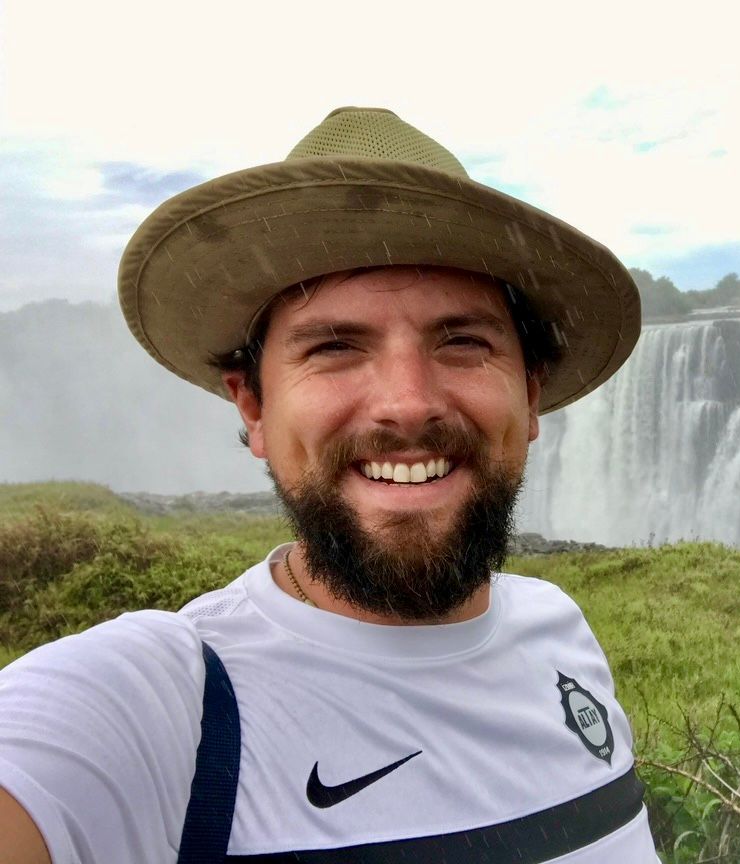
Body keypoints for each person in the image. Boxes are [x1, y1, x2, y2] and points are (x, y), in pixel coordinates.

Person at [0, 107, 657, 862]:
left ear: (530, 395)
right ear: (254, 406)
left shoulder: (563, 633)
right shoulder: (161, 708)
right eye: (335, 347)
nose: (408, 404)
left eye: (463, 341)